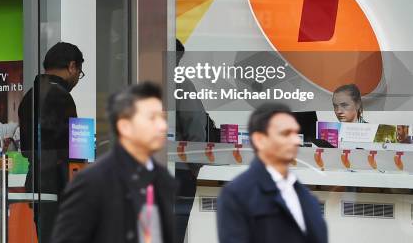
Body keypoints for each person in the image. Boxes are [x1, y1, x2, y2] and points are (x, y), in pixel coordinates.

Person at [51, 81, 176, 243]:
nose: (162, 126)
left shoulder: (163, 179)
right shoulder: (92, 181)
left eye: (162, 117)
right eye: (152, 118)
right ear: (125, 126)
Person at [217, 103, 327, 243]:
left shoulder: (306, 198)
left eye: (296, 132)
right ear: (260, 140)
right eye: (285, 133)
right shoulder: (237, 195)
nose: (296, 140)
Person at [18, 42, 84, 243]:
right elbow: (71, 151)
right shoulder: (61, 96)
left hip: (38, 183)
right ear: (72, 66)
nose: (77, 80)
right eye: (79, 73)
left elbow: (27, 148)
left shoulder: (30, 96)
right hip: (58, 184)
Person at [174, 38, 219, 243]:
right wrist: (196, 166)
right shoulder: (180, 83)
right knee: (177, 229)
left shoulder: (135, 80)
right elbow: (194, 125)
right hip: (178, 171)